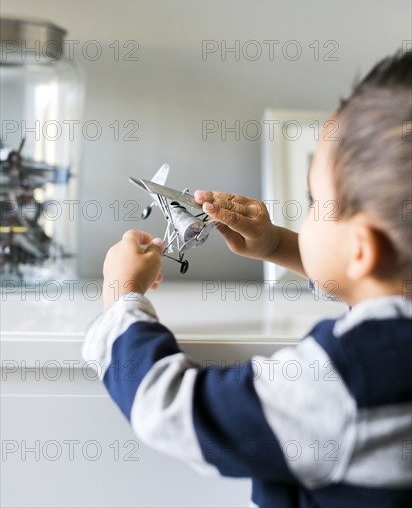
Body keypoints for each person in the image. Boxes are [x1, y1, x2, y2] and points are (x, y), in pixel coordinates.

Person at [82, 50, 412, 507]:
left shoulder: (349, 380)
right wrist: (277, 244)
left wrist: (122, 298)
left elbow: (172, 407)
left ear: (361, 249)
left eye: (315, 202)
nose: (309, 213)